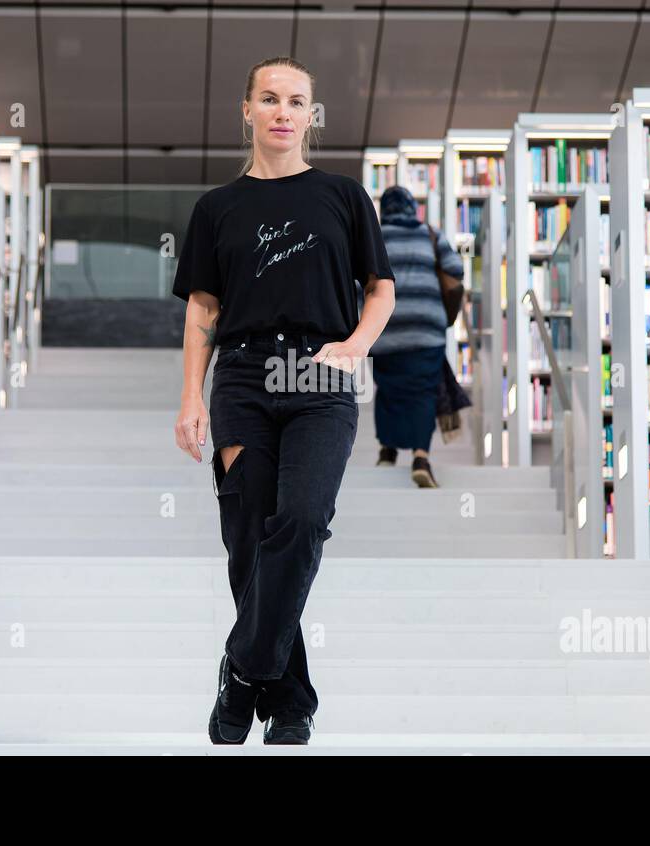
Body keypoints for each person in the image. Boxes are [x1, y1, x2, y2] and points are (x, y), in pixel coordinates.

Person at [172, 56, 395, 746]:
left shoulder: (344, 196)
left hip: (320, 377)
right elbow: (204, 308)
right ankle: (291, 698)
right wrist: (190, 396)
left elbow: (380, 289)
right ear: (247, 110)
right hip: (241, 375)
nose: (282, 111)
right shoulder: (216, 209)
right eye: (268, 98)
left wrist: (355, 346)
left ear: (310, 115)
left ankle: (242, 673)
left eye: (296, 101)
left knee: (299, 521)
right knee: (247, 540)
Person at [369, 186, 465, 488]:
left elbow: (357, 278)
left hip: (383, 329)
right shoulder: (430, 234)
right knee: (423, 393)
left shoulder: (373, 237)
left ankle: (387, 451)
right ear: (412, 207)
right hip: (426, 329)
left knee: (388, 391)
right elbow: (456, 269)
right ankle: (421, 457)